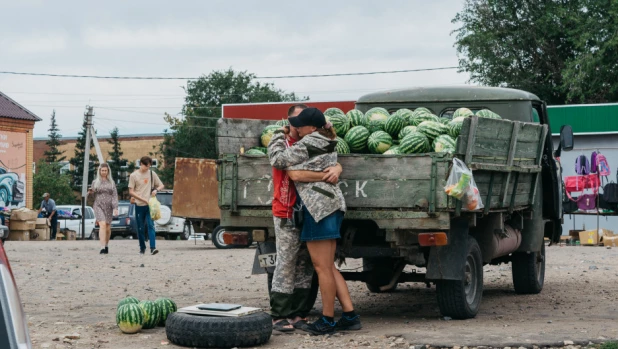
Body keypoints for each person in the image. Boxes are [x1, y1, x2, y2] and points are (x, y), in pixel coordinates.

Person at [269, 107, 360, 335]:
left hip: (319, 209)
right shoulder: (328, 139)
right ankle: (350, 315)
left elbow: (282, 162)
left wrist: (278, 134)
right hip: (330, 205)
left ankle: (327, 320)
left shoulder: (310, 142)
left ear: (312, 127)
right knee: (328, 266)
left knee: (321, 269)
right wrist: (332, 170)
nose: (296, 127)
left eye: (300, 124)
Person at [128, 156, 164, 255]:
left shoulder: (152, 174)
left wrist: (156, 190)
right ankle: (142, 247)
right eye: (146, 166)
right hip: (139, 204)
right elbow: (131, 191)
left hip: (150, 204)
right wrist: (142, 199)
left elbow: (161, 185)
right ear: (141, 164)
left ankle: (153, 247)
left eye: (149, 166)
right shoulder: (133, 176)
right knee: (140, 227)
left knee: (151, 225)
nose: (147, 168)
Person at [89, 163, 119, 254]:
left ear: (108, 171)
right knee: (102, 224)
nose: (104, 172)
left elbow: (114, 196)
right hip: (98, 205)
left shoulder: (112, 182)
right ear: (99, 171)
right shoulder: (95, 182)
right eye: (102, 170)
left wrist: (115, 207)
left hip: (109, 206)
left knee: (107, 227)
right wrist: (90, 193)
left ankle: (106, 245)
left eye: (105, 171)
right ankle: (102, 247)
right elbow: (91, 195)